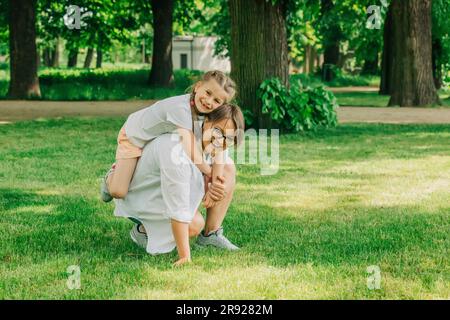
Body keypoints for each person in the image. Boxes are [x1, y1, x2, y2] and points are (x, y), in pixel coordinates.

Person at [114, 104, 245, 266]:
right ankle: (144, 230)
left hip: (168, 188)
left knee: (227, 167)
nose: (221, 141)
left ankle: (211, 235)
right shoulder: (176, 149)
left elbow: (220, 154)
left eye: (229, 138)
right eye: (218, 131)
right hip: (143, 196)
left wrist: (215, 184)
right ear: (207, 121)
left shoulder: (217, 138)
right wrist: (185, 256)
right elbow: (179, 205)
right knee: (194, 224)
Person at [101, 70, 236, 203]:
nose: (208, 101)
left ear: (221, 106)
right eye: (208, 93)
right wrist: (209, 172)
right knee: (118, 191)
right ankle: (110, 176)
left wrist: (217, 180)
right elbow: (190, 147)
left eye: (216, 100)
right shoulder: (180, 108)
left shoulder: (207, 112)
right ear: (198, 86)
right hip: (134, 137)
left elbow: (219, 147)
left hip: (156, 139)